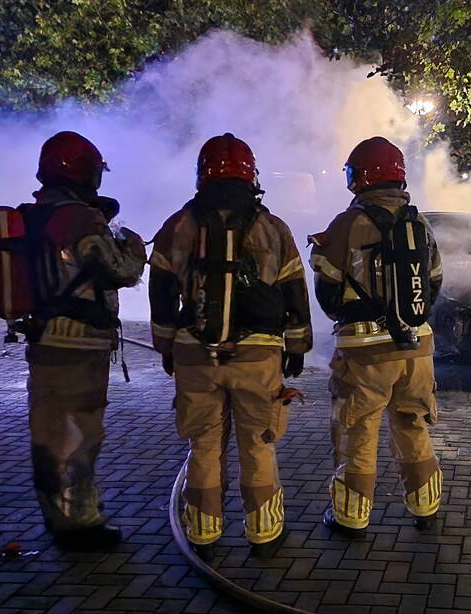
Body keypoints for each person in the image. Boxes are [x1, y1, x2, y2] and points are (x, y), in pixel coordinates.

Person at [149, 133, 311, 560]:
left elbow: (161, 293)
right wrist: (297, 345)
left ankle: (203, 530)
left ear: (201, 175)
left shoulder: (178, 226)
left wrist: (166, 346)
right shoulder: (272, 227)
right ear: (250, 174)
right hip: (258, 356)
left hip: (195, 352)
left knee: (203, 444)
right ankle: (263, 529)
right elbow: (295, 291)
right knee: (258, 441)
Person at [309, 136, 444, 537]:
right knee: (413, 424)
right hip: (417, 348)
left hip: (366, 352)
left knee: (359, 430)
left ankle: (351, 517)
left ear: (356, 177)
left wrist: (350, 317)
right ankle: (426, 508)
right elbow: (434, 283)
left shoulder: (348, 224)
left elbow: (328, 291)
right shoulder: (420, 224)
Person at [25, 131, 146, 550]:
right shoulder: (79, 218)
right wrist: (133, 245)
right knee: (78, 434)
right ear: (84, 172)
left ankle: (57, 517)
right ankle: (79, 525)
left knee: (48, 432)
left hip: (44, 341)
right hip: (79, 345)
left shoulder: (36, 214)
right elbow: (117, 269)